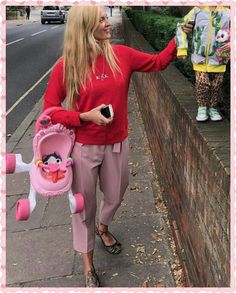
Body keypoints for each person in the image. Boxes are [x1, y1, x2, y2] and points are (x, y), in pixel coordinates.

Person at [43, 6, 179, 287]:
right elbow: (49, 110)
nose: (108, 23)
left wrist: (178, 39)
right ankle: (88, 266)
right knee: (84, 208)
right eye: (102, 19)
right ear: (86, 28)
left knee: (116, 194)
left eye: (107, 17)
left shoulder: (122, 55)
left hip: (117, 142)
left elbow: (158, 62)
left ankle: (103, 226)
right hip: (83, 147)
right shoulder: (67, 65)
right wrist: (83, 116)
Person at [176, 6, 230, 122]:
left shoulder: (228, 12)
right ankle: (202, 107)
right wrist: (182, 49)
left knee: (216, 86)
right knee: (202, 84)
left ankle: (212, 108)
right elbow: (180, 26)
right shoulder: (197, 10)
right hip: (199, 58)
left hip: (220, 58)